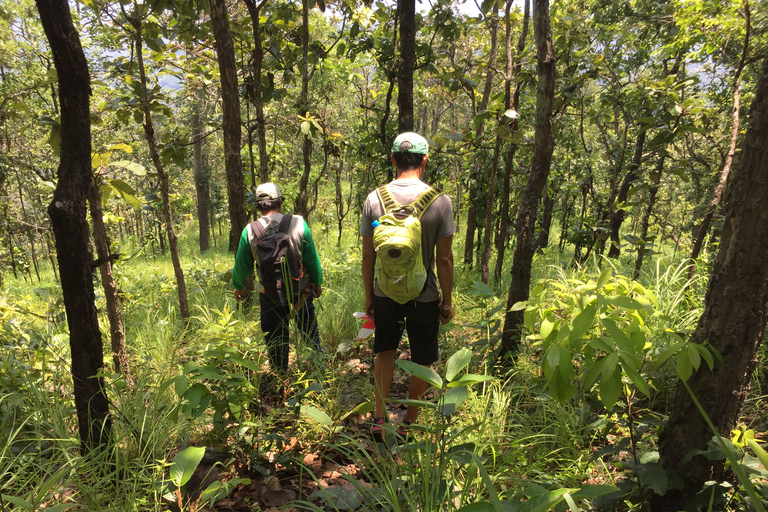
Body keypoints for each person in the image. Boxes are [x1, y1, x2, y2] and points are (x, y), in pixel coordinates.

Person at [360, 132, 455, 440]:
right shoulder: (440, 202)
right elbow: (444, 260)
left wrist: (368, 297)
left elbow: (367, 256)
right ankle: (409, 422)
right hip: (424, 295)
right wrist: (447, 301)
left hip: (385, 291)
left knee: (384, 351)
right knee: (422, 357)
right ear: (425, 161)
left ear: (393, 160)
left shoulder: (374, 199)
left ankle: (378, 417)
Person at [232, 182, 323, 372]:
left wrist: (238, 286)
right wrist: (317, 282)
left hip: (269, 292)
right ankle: (318, 369)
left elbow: (242, 265)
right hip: (302, 290)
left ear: (257, 205)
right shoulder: (299, 223)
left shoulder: (249, 231)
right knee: (308, 331)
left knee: (274, 335)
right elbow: (311, 258)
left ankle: (279, 374)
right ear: (280, 202)